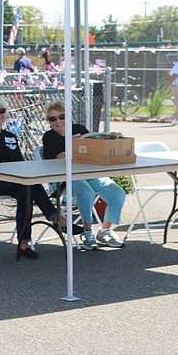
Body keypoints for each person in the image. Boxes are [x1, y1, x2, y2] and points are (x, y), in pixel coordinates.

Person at [0, 94, 81, 259]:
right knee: (29, 187)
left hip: (13, 181)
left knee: (26, 193)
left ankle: (24, 244)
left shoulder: (11, 136)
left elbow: (20, 164)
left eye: (1, 110)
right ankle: (57, 219)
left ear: (6, 113)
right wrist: (10, 173)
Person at [42, 101, 126, 249]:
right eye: (53, 119)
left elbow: (94, 146)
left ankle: (105, 230)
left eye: (61, 116)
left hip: (87, 173)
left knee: (117, 193)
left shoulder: (79, 129)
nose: (58, 121)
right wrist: (83, 150)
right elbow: (61, 156)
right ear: (49, 122)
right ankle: (87, 231)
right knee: (86, 192)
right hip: (63, 178)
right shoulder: (49, 136)